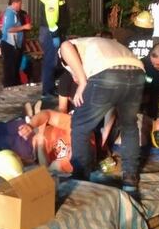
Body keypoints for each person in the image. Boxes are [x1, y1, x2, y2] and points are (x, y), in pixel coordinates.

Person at [59, 37, 144, 195]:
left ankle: (80, 178)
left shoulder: (74, 45)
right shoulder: (98, 43)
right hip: (138, 72)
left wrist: (82, 82)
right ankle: (130, 179)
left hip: (108, 73)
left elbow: (65, 46)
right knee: (129, 126)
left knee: (80, 126)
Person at [38, 0, 75, 97]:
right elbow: (51, 15)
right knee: (50, 61)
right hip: (51, 32)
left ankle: (51, 87)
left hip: (54, 31)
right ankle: (47, 92)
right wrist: (54, 34)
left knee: (55, 61)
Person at [0, 0, 31, 87]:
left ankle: (15, 84)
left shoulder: (14, 13)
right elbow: (8, 29)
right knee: (10, 68)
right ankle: (9, 86)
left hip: (15, 44)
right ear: (14, 3)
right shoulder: (10, 13)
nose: (21, 5)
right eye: (20, 3)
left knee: (15, 67)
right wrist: (24, 27)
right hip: (9, 44)